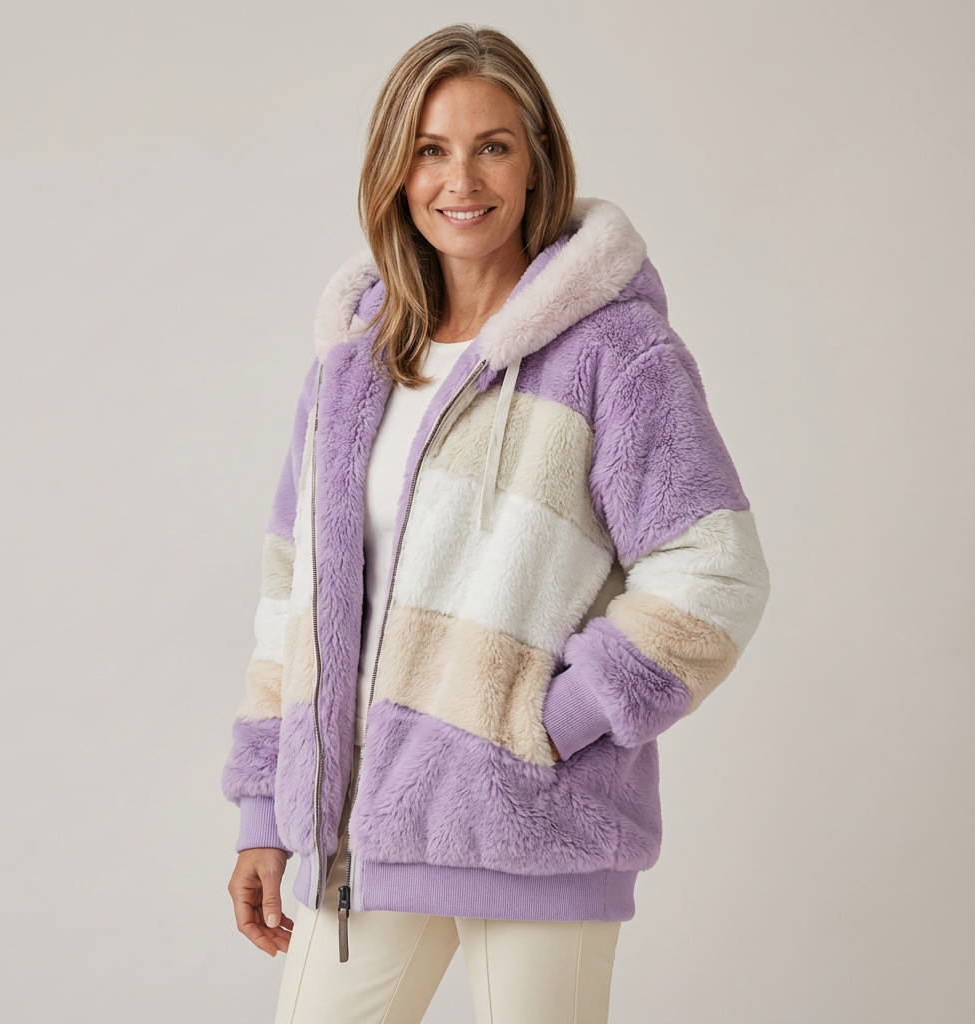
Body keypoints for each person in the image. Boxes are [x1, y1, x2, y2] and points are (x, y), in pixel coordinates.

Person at [222, 23, 770, 1024]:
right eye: (430, 149)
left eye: (493, 146)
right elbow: (290, 594)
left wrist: (542, 720)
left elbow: (714, 568)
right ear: (396, 170)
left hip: (536, 826)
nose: (460, 179)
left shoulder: (615, 352)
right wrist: (267, 802)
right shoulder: (351, 364)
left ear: (536, 161)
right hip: (363, 836)